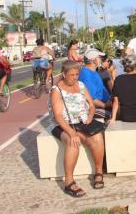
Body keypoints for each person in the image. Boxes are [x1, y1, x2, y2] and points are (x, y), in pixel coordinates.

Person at [48, 60, 105, 197]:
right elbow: (58, 116)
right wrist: (71, 132)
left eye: (77, 74)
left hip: (82, 122)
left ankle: (98, 172)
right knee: (72, 142)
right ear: (64, 74)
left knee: (97, 137)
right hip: (63, 125)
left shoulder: (80, 85)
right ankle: (69, 182)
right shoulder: (57, 90)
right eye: (72, 75)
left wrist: (90, 116)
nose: (75, 77)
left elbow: (91, 105)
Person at [109, 54, 136, 123]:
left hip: (126, 116)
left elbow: (115, 102)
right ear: (135, 66)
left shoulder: (118, 79)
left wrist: (113, 118)